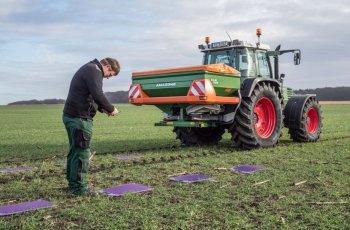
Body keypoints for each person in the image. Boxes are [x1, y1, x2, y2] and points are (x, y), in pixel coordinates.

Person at [63, 57, 120, 196]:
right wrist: (111, 108)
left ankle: (72, 184)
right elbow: (97, 93)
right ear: (106, 66)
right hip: (79, 118)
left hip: (72, 116)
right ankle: (78, 188)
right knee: (82, 152)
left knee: (75, 151)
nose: (108, 78)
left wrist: (103, 109)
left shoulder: (89, 68)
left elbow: (90, 96)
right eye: (110, 74)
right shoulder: (94, 71)